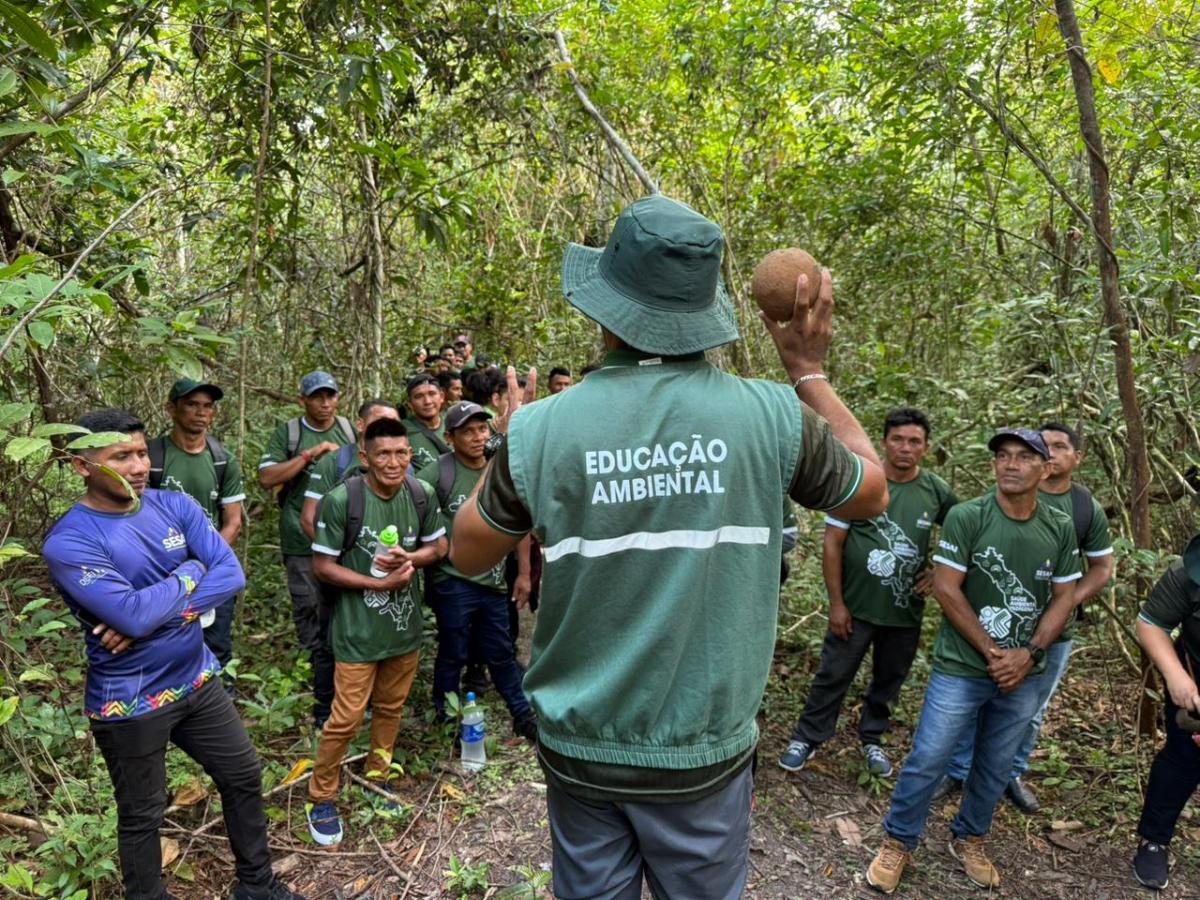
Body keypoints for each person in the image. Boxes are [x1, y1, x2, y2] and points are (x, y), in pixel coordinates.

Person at [447, 195, 887, 898]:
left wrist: (519, 445)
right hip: (702, 759)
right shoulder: (773, 418)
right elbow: (871, 489)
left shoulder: (544, 430)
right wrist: (807, 369)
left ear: (604, 311)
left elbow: (466, 554)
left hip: (581, 752)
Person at [43, 408, 304, 900]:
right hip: (130, 699)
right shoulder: (70, 540)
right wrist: (187, 571)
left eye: (142, 452)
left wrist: (156, 612)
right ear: (82, 465)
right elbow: (134, 615)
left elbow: (229, 574)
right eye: (121, 456)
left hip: (196, 679)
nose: (140, 465)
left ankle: (256, 885)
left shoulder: (173, 506)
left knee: (243, 774)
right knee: (143, 814)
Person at [865, 427, 1082, 893]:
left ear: (1045, 469)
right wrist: (994, 652)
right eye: (1003, 456)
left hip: (1025, 673)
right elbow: (945, 587)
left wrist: (1030, 653)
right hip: (963, 667)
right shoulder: (968, 516)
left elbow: (1065, 596)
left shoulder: (1059, 526)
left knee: (996, 762)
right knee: (930, 756)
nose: (1010, 464)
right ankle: (898, 841)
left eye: (1024, 457)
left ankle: (970, 837)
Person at [935, 421, 1114, 812]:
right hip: (993, 627)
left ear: (1071, 459)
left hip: (1052, 633)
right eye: (1043, 446)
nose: (1049, 453)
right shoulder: (1000, 497)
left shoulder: (1083, 508)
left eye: (1058, 447)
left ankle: (1009, 773)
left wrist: (1064, 603)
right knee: (973, 697)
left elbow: (1102, 567)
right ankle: (959, 769)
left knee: (1030, 707)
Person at [779, 407, 957, 777]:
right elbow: (833, 544)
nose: (905, 448)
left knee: (889, 680)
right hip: (856, 609)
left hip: (904, 612)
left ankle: (872, 740)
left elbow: (966, 531)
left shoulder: (934, 491)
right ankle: (807, 737)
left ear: (925, 448)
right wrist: (837, 604)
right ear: (884, 442)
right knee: (833, 674)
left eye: (914, 442)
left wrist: (940, 568)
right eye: (898, 440)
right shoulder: (864, 481)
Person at [306, 418, 447, 845]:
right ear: (364, 457)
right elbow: (322, 565)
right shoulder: (341, 500)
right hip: (357, 633)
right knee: (345, 718)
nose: (394, 462)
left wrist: (412, 559)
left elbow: (439, 547)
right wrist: (377, 584)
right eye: (383, 454)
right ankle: (322, 796)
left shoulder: (420, 494)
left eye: (401, 452)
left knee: (391, 709)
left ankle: (377, 778)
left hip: (404, 631)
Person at [415, 400, 538, 739]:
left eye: (482, 429)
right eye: (467, 431)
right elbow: (411, 503)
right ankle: (443, 717)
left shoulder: (501, 469)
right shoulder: (439, 472)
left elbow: (518, 526)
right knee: (454, 649)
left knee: (500, 651)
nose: (476, 437)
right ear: (450, 437)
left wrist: (524, 573)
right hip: (452, 580)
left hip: (493, 581)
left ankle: (522, 715)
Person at [257, 371, 356, 728]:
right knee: (310, 611)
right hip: (301, 540)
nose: (325, 403)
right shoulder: (290, 433)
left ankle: (344, 686)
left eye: (330, 395)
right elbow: (267, 478)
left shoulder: (348, 430)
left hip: (344, 539)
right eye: (317, 396)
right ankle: (318, 689)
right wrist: (310, 455)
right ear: (303, 400)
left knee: (344, 612)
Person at [147, 378, 246, 678]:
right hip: (161, 572)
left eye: (207, 406)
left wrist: (203, 562)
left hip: (211, 568)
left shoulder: (221, 460)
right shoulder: (151, 457)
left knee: (216, 645)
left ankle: (218, 711)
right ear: (171, 408)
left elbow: (233, 522)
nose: (201, 412)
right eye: (191, 404)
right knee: (163, 646)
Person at [1131, 535, 1200, 890]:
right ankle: (1153, 840)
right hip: (1195, 677)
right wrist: (1177, 678)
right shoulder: (1187, 573)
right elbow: (1150, 623)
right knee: (1184, 759)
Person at [299, 400, 400, 541]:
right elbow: (308, 518)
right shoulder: (335, 461)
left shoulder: (402, 465)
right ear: (360, 425)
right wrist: (332, 555)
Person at [403, 372, 450, 472]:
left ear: (442, 396)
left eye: (432, 394)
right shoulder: (401, 430)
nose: (427, 401)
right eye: (419, 396)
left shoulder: (455, 422)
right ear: (409, 404)